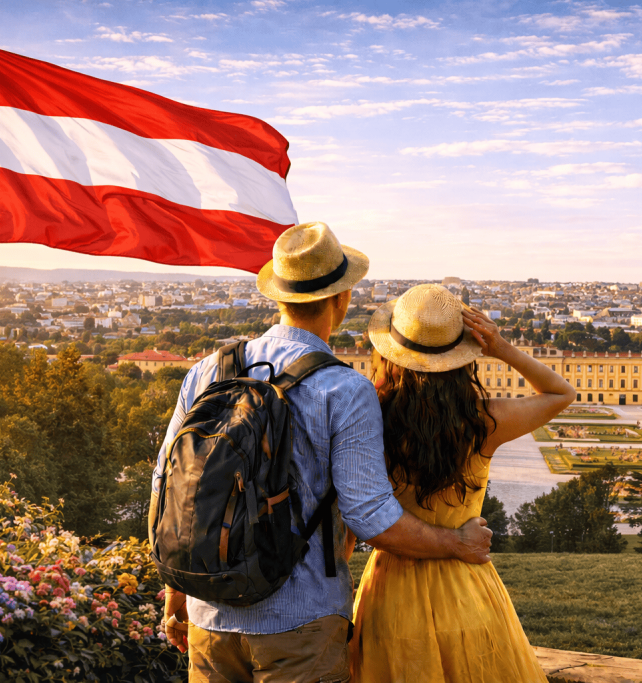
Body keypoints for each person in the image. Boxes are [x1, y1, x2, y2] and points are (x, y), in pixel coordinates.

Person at [150, 224, 492, 683]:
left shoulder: (207, 371)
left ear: (278, 295)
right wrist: (457, 543)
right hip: (300, 619)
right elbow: (371, 515)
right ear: (342, 299)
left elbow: (170, 486)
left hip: (209, 612)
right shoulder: (344, 388)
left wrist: (177, 587)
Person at [350, 284, 576, 682]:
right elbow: (560, 393)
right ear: (464, 356)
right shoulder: (484, 422)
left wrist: (381, 377)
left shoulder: (373, 419)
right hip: (466, 581)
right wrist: (501, 348)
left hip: (392, 588)